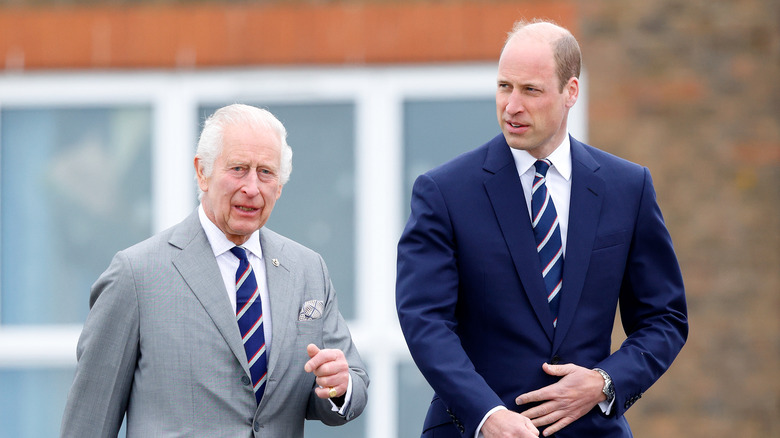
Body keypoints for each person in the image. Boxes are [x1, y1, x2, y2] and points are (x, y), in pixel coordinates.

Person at [396, 19, 688, 438]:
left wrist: (604, 383)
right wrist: (487, 416)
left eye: (530, 90)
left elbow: (665, 318)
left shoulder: (629, 188)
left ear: (571, 92)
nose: (512, 106)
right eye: (504, 87)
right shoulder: (443, 192)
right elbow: (424, 320)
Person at [61, 104, 369, 437]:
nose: (252, 187)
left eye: (266, 172)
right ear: (202, 172)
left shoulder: (308, 269)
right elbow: (88, 422)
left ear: (279, 186)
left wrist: (340, 386)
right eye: (238, 168)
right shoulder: (136, 274)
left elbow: (351, 385)